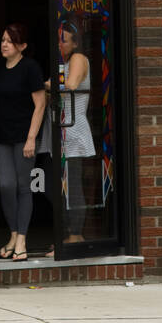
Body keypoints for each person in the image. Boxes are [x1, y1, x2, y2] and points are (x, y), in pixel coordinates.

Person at [0, 22, 46, 261]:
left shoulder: (30, 68)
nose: (4, 44)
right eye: (3, 39)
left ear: (22, 46)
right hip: (2, 137)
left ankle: (22, 239)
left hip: (24, 138)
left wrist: (31, 138)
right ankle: (13, 234)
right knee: (6, 186)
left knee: (24, 187)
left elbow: (40, 104)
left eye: (10, 41)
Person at [49, 19, 96, 245]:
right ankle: (69, 232)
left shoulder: (78, 58)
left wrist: (47, 84)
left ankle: (75, 234)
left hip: (75, 130)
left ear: (75, 43)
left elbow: (72, 85)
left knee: (73, 184)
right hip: (66, 130)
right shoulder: (65, 62)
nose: (60, 45)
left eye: (63, 40)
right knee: (63, 185)